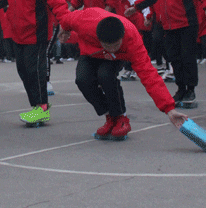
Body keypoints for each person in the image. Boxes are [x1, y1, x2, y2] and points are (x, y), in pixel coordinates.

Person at [59, 10, 188, 137]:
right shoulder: (84, 21)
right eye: (108, 46)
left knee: (106, 75)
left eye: (115, 45)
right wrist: (64, 30)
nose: (112, 49)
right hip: (91, 51)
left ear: (121, 38)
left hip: (118, 56)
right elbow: (65, 19)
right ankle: (109, 116)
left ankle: (120, 117)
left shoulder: (132, 40)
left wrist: (169, 109)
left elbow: (149, 76)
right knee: (82, 80)